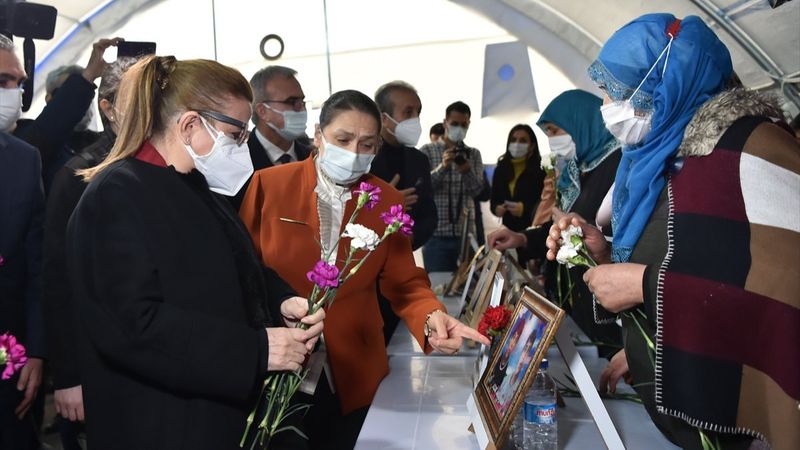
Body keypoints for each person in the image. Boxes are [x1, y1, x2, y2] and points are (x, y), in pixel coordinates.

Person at [549, 14, 799, 449]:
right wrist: (604, 254)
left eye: (618, 92)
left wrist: (645, 286)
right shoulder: (663, 158)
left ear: (666, 82)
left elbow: (779, 294)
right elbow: (691, 260)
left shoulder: (749, 151)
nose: (608, 106)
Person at [65, 56, 325, 450]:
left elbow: (240, 265)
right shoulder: (115, 195)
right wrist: (256, 351)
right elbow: (133, 326)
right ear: (189, 124)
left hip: (214, 410)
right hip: (160, 422)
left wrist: (281, 301)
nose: (242, 146)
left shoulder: (196, 185)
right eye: (235, 133)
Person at [240, 89, 490, 449]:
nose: (354, 152)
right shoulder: (269, 185)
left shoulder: (386, 199)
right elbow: (245, 272)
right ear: (318, 135)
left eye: (367, 144)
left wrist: (431, 314)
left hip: (353, 366)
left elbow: (405, 282)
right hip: (281, 365)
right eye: (343, 139)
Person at [42, 56, 138, 449]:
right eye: (138, 98)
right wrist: (67, 376)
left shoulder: (173, 166)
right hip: (96, 364)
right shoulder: (78, 177)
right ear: (108, 108)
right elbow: (58, 281)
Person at [488, 90, 623, 358]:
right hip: (579, 306)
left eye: (554, 130)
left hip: (609, 309)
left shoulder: (618, 165)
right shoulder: (579, 169)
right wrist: (522, 238)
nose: (552, 140)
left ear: (579, 121)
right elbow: (565, 228)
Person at [6, 36, 122, 192]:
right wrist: (87, 77)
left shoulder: (92, 142)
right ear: (50, 99)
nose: (15, 91)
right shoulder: (28, 143)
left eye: (20, 83)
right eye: (64, 93)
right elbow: (45, 131)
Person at [369, 81, 438, 344]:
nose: (415, 120)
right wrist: (383, 203)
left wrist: (409, 239)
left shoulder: (419, 160)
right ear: (383, 117)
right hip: (364, 280)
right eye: (407, 112)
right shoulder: (364, 159)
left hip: (402, 273)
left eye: (418, 112)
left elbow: (429, 215)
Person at [0, 131, 45, 450]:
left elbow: (37, 266)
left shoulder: (24, 158)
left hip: (8, 359)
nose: (13, 94)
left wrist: (37, 351)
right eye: (4, 80)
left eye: (18, 84)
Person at [228, 65, 312, 209]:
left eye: (302, 101)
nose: (302, 109)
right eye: (292, 102)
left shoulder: (313, 158)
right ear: (262, 111)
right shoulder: (236, 163)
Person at [419, 101, 485, 272]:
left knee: (468, 290)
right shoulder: (427, 150)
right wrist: (443, 167)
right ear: (445, 123)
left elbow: (478, 191)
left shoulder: (474, 154)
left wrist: (467, 171)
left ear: (469, 124)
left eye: (464, 124)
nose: (459, 128)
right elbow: (423, 190)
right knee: (438, 288)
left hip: (466, 236)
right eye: (454, 124)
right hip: (436, 235)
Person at [489, 124, 546, 262]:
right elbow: (494, 201)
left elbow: (544, 204)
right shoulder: (501, 169)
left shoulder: (541, 170)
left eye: (523, 140)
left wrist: (523, 209)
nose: (517, 144)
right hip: (506, 231)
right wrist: (497, 209)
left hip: (533, 232)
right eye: (514, 140)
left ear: (532, 145)